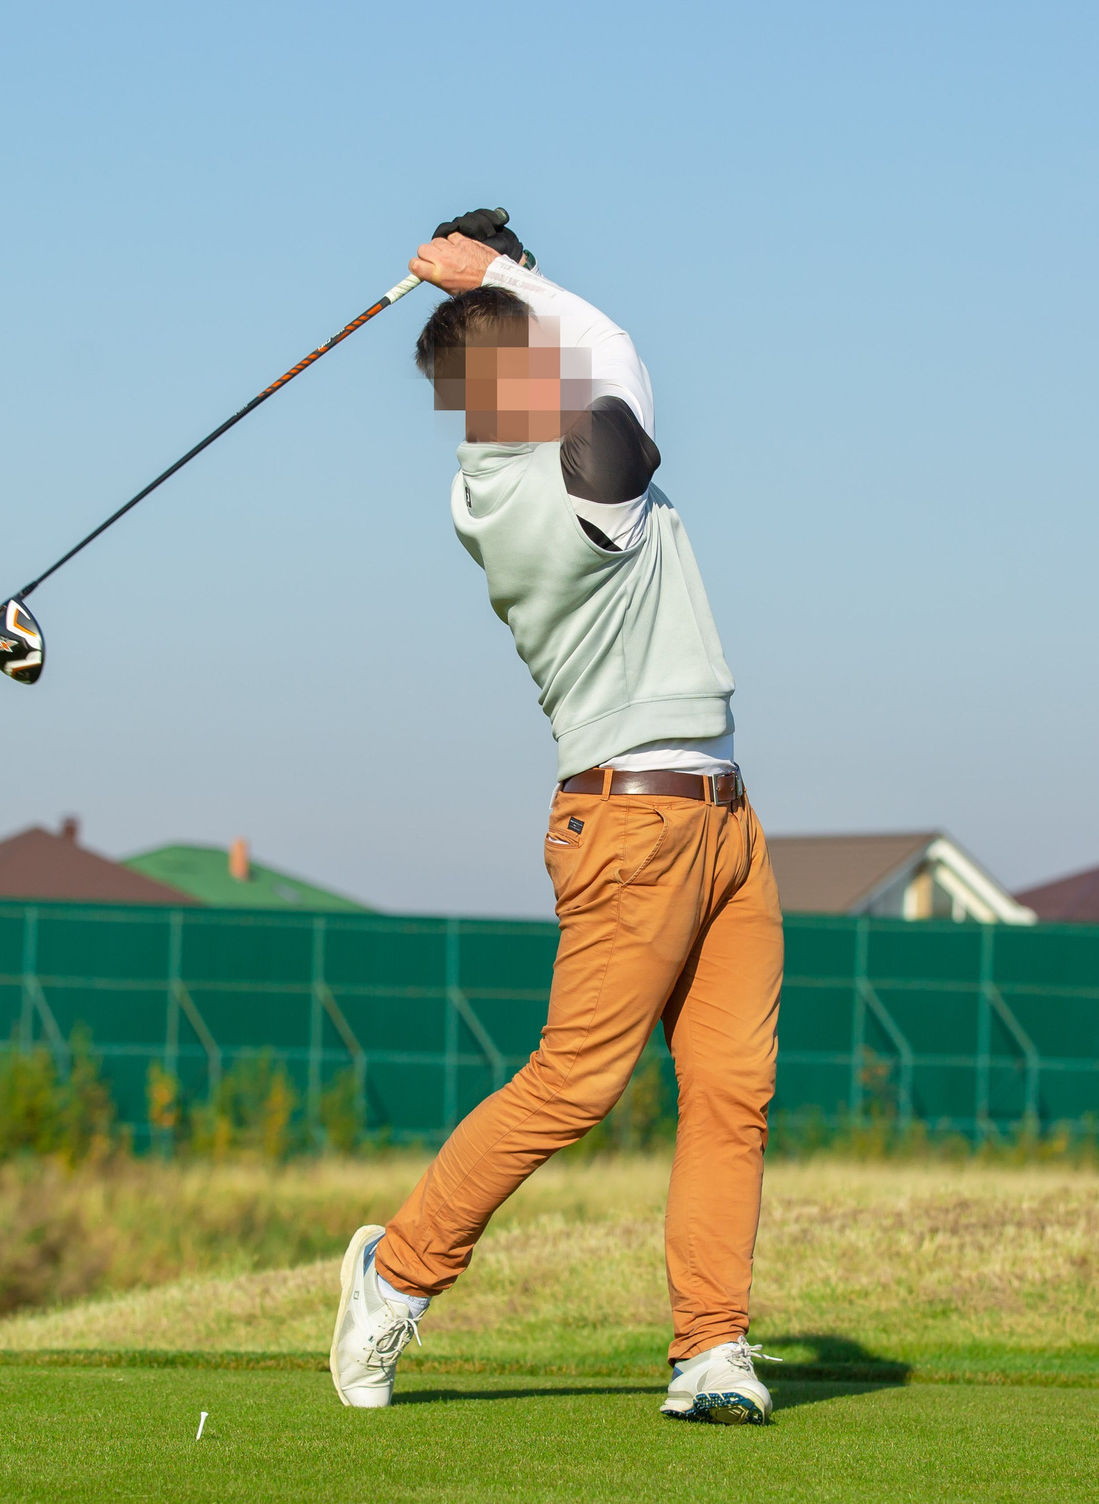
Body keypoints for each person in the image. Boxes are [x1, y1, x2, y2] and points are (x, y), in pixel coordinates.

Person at [329, 209, 785, 1423]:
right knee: (575, 1085)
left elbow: (581, 355)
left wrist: (495, 263)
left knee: (731, 1089)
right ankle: (395, 1276)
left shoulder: (510, 466)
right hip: (633, 826)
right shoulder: (568, 482)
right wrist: (503, 275)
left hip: (723, 821)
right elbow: (620, 354)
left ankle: (710, 1350)